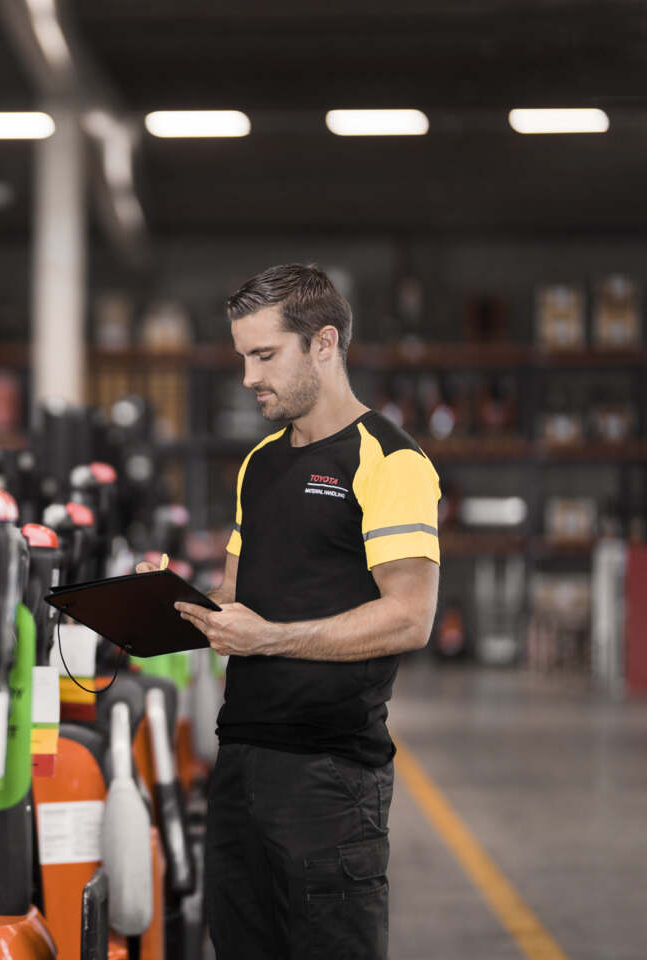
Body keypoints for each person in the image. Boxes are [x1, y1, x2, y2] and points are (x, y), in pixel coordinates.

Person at [137, 264, 440, 959]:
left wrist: (269, 638)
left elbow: (409, 617)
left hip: (330, 775)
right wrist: (172, 600)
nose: (249, 378)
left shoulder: (390, 462)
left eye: (265, 355)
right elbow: (238, 605)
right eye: (244, 356)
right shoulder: (261, 465)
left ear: (324, 344)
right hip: (241, 761)